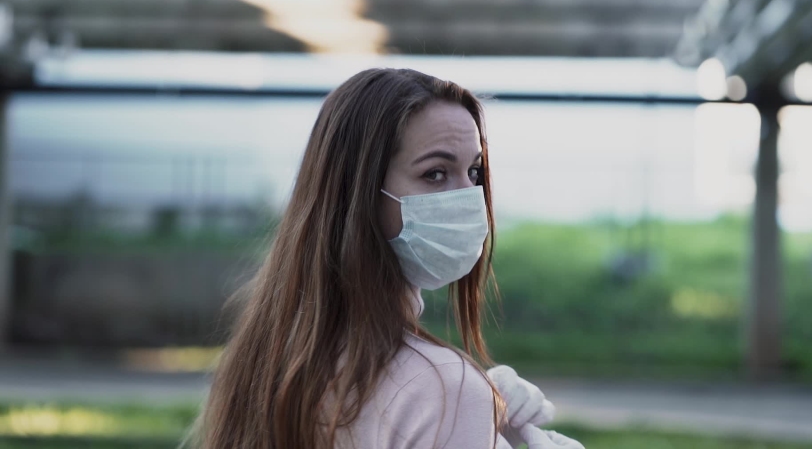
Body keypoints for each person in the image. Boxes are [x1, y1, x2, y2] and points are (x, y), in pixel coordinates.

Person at [191, 68, 584, 448]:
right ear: (358, 193)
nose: (468, 197)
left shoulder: (269, 360)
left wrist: (483, 419)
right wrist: (461, 408)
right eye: (435, 174)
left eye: (475, 172)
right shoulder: (444, 389)